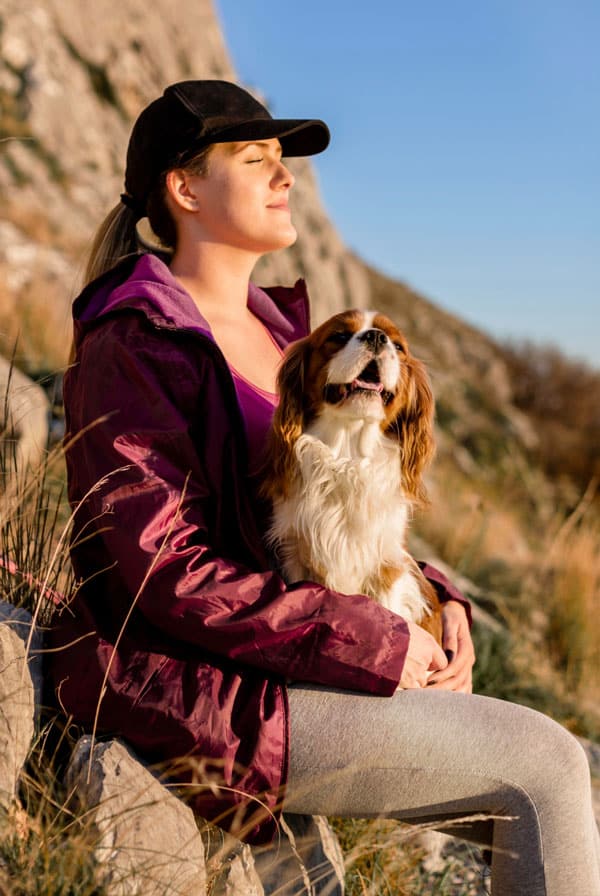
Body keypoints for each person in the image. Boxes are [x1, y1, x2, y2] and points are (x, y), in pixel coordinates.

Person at [49, 80, 600, 895]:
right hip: (204, 690)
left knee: (563, 780)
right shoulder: (138, 339)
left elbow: (335, 508)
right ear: (186, 188)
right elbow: (165, 573)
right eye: (257, 159)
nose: (286, 178)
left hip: (294, 662)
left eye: (285, 163)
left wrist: (441, 602)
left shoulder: (280, 333)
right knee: (549, 763)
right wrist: (373, 643)